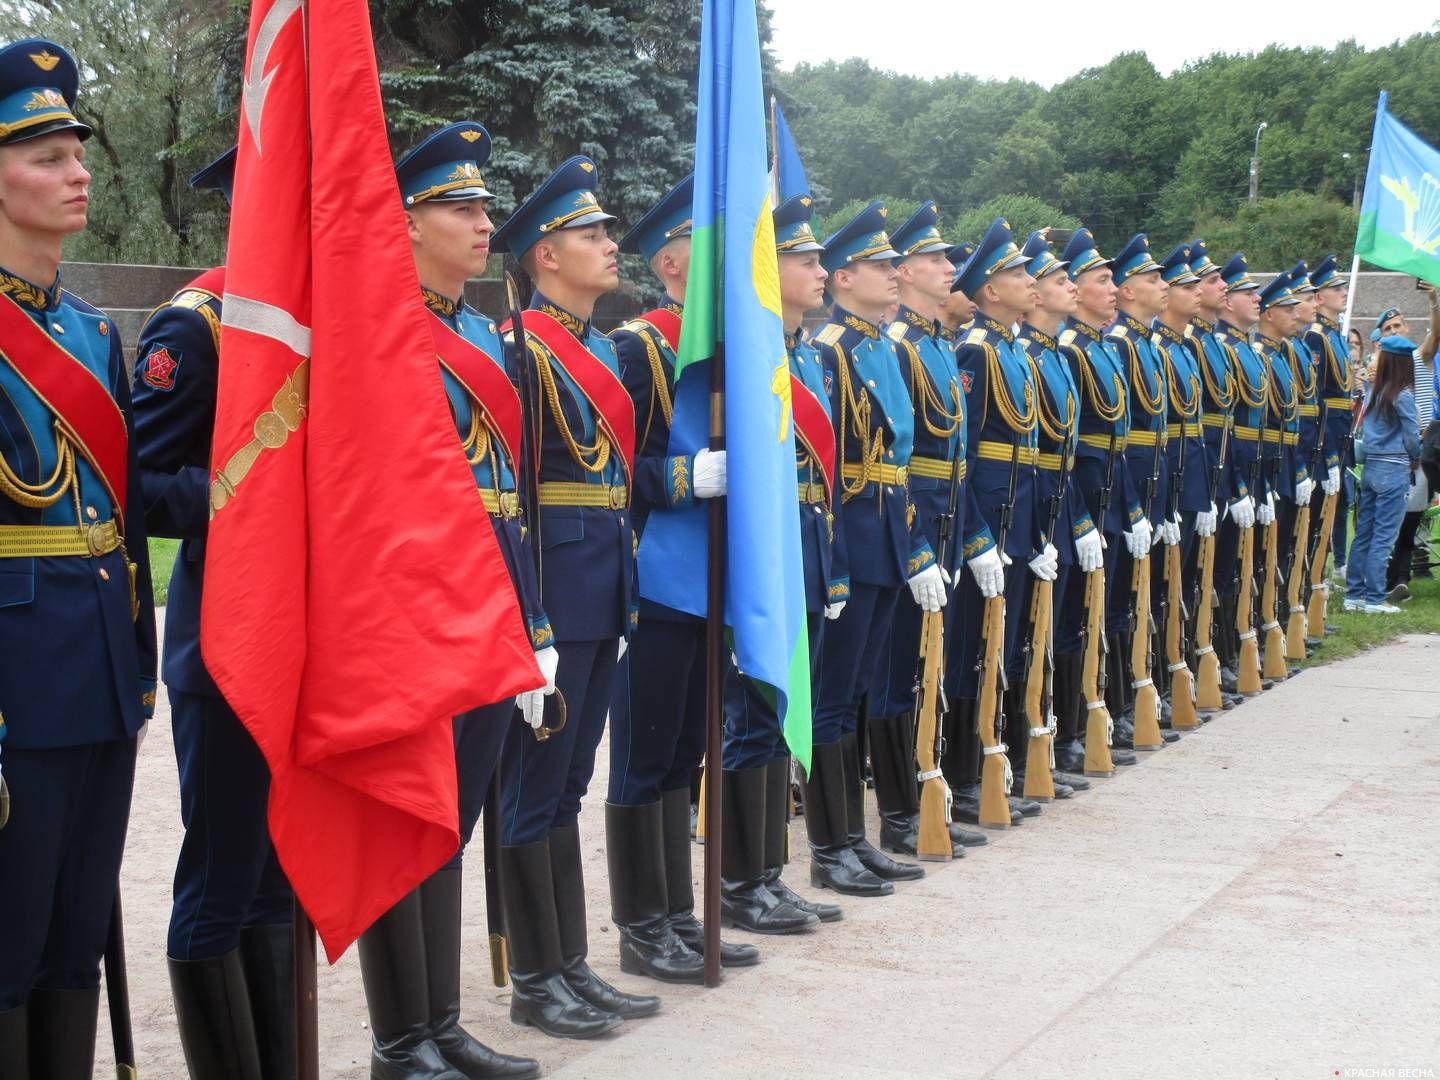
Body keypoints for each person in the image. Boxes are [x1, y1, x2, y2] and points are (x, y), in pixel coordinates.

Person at [325, 121, 549, 1078]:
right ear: (406, 224)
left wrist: (532, 624)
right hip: (419, 613)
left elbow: (515, 494)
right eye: (459, 208)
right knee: (407, 818)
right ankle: (397, 1039)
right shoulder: (382, 330)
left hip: (489, 603)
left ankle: (441, 1022)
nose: (482, 222)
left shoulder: (478, 334)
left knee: (452, 825)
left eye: (484, 206)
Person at [0, 37, 157, 1076]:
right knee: (8, 941)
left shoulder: (97, 336)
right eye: (47, 154)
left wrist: (135, 663)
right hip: (19, 680)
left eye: (78, 151)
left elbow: (129, 525)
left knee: (75, 934)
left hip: (102, 671)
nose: (77, 171)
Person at [132, 145, 302, 1080]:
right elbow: (142, 488)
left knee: (278, 878)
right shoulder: (194, 328)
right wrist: (258, 493)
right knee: (222, 878)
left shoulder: (323, 328)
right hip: (226, 643)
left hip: (306, 641)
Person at [489, 156, 659, 1039]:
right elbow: (512, 491)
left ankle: (568, 964)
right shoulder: (521, 352)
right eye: (590, 235)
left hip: (602, 584)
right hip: (552, 592)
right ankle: (533, 978)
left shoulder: (596, 347)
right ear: (544, 256)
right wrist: (529, 619)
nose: (608, 245)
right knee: (532, 789)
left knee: (567, 788)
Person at [605, 175, 767, 969]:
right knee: (645, 751)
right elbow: (608, 467)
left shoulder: (725, 348)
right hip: (655, 577)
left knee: (684, 753)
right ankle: (642, 928)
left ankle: (677, 914)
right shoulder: (639, 346)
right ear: (671, 265)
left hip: (709, 579)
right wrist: (678, 479)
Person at [720, 192, 844, 929]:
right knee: (753, 718)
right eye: (804, 258)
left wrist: (830, 564)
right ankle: (741, 885)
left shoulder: (804, 355)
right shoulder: (755, 349)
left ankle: (768, 874)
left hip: (805, 545)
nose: (820, 270)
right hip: (762, 555)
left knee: (778, 721)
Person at [804, 200, 934, 893]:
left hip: (886, 530)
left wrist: (911, 545)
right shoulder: (831, 352)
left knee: (857, 690)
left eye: (893, 264)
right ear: (843, 277)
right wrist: (836, 563)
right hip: (849, 536)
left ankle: (854, 838)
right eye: (880, 265)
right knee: (831, 697)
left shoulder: (886, 349)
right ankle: (830, 850)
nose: (894, 274)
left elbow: (901, 458)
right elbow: (826, 469)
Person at [871, 201, 998, 852]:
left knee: (932, 668)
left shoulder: (940, 350)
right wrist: (918, 547)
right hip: (910, 532)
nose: (952, 269)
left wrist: (971, 541)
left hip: (945, 528)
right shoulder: (900, 350)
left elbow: (959, 464)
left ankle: (929, 790)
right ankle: (899, 811)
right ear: (910, 273)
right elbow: (897, 464)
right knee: (896, 676)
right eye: (938, 259)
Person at [945, 217, 1048, 823]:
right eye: (1015, 274)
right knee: (967, 652)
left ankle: (987, 761)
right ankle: (959, 775)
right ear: (988, 291)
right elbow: (966, 454)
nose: (1028, 281)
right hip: (987, 522)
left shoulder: (1012, 350)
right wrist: (981, 535)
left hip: (1019, 518)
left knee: (999, 650)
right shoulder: (976, 353)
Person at [1015, 229, 1099, 793]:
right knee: (1017, 640)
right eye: (1060, 280)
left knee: (1060, 628)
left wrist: (1078, 519)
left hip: (1058, 504)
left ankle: (1051, 741)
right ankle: (1015, 757)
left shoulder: (1054, 356)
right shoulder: (1006, 353)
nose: (1072, 288)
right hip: (1023, 511)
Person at [1053, 227, 1140, 770]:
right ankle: (1069, 728)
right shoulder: (1072, 350)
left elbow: (1119, 440)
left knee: (1110, 612)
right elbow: (1068, 448)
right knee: (1069, 621)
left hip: (1111, 494)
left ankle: (1101, 709)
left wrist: (1129, 508)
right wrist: (1081, 518)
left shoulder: (1103, 350)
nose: (1116, 289)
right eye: (1102, 280)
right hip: (1078, 499)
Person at [1103, 234, 1178, 745]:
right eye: (1153, 279)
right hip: (1119, 489)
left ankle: (1135, 696)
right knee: (1107, 609)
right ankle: (1108, 706)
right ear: (1129, 293)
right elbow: (1114, 442)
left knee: (1139, 601)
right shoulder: (1120, 347)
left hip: (1155, 486)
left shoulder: (1147, 347)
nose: (1165, 286)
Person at [1212, 254, 1267, 692]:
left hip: (1245, 471)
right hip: (1205, 480)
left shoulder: (1239, 349)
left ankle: (1231, 653)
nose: (1257, 299)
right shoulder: (1221, 348)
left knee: (1237, 569)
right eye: (1247, 293)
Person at [1345, 336, 1422, 613]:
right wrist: (1418, 454)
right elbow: (1412, 438)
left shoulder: (1373, 390)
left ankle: (1354, 594)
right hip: (1395, 467)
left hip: (1372, 466)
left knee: (1364, 532)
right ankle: (1375, 598)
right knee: (1384, 536)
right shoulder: (1403, 394)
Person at [1374, 295, 1440, 594]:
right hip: (1392, 454)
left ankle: (1400, 578)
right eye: (1387, 329)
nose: (1394, 331)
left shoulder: (1419, 357)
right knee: (1395, 521)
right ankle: (1391, 578)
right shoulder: (1382, 368)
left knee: (1411, 518)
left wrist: (1434, 303)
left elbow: (1436, 335)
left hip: (1421, 448)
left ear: (1407, 327)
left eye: (1398, 325)